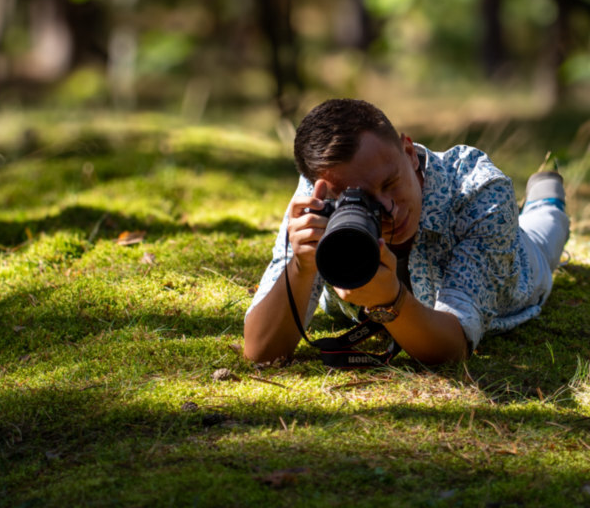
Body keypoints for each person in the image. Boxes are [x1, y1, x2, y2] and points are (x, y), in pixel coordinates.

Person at [242, 98, 569, 365]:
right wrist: (301, 267)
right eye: (365, 201)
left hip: (518, 274)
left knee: (545, 232)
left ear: (409, 153)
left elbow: (452, 349)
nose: (389, 207)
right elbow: (261, 352)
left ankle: (545, 193)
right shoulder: (314, 201)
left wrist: (390, 299)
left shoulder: (480, 194)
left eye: (390, 182)